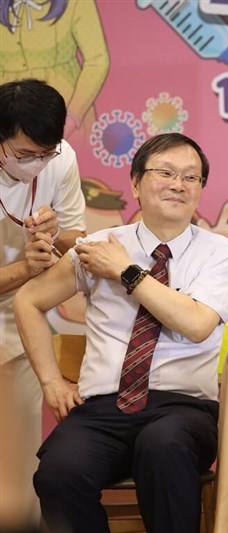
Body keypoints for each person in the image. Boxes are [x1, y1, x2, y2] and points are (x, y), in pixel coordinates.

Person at [14, 133, 228, 533]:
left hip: (184, 410)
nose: (178, 184)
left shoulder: (218, 252)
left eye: (191, 177)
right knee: (59, 471)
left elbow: (197, 324)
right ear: (135, 183)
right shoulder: (98, 247)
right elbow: (28, 300)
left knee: (163, 446)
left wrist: (126, 271)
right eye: (165, 173)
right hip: (104, 409)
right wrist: (51, 381)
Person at [0, 78, 86, 529]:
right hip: (15, 292)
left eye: (44, 153)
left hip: (16, 328)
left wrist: (55, 235)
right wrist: (22, 270)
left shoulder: (61, 159)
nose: (36, 164)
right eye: (23, 153)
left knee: (15, 486)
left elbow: (76, 238)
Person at [0, 0, 110, 140]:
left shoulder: (77, 3)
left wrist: (71, 118)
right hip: (7, 115)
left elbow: (97, 60)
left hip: (65, 110)